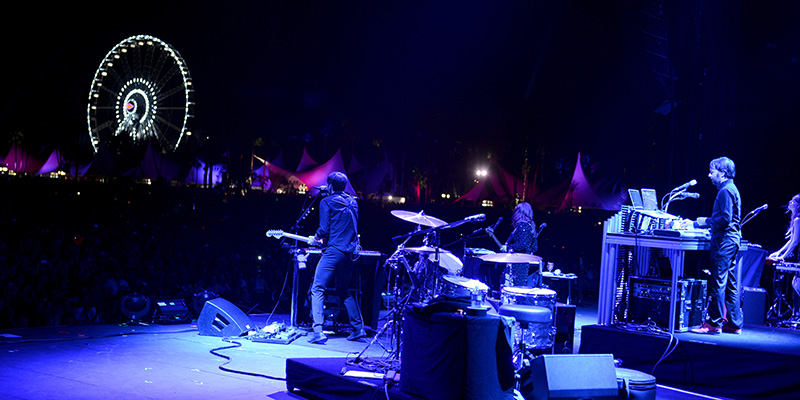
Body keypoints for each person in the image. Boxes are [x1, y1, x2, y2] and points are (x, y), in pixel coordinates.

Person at [307, 172, 366, 344]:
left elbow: (324, 229)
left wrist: (316, 238)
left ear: (331, 185)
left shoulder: (326, 202)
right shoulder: (353, 201)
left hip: (334, 251)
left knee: (317, 289)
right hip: (350, 253)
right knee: (343, 290)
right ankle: (358, 328)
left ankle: (317, 331)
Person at [690, 157, 743, 334]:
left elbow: (725, 218)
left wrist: (703, 222)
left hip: (725, 240)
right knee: (730, 283)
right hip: (732, 239)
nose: (709, 175)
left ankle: (714, 323)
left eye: (712, 171)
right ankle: (734, 324)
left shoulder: (725, 191)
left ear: (723, 173)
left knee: (718, 281)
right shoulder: (731, 188)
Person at [487, 202, 539, 287]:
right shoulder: (529, 227)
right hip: (522, 262)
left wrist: (509, 247)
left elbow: (523, 245)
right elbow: (534, 247)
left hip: (518, 264)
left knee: (513, 287)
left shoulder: (523, 226)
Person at [768, 193, 800, 319]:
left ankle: (797, 315)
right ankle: (796, 315)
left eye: (794, 201)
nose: (790, 203)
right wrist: (779, 252)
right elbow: (791, 240)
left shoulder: (798, 219)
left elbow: (796, 241)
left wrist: (783, 256)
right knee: (795, 283)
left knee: (796, 284)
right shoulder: (795, 219)